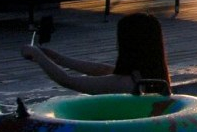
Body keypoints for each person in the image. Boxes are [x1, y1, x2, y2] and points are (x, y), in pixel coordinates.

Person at [22, 12, 172, 96]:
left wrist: (36, 54)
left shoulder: (123, 84)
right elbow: (102, 70)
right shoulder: (151, 76)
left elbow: (67, 81)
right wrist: (59, 59)